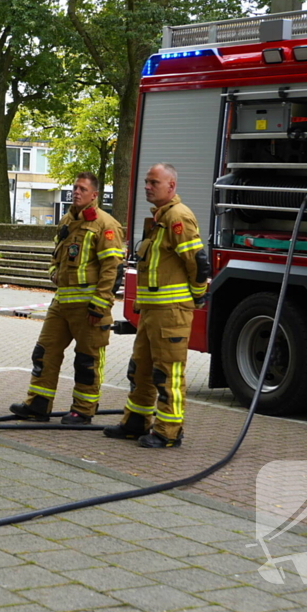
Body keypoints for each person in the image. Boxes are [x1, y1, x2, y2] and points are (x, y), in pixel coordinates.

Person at [104, 162, 209, 448]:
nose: (147, 187)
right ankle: (135, 422)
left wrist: (198, 295)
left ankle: (168, 432)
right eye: (147, 182)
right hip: (151, 312)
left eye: (154, 182)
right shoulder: (160, 219)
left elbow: (198, 263)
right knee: (140, 370)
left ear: (171, 186)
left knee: (167, 373)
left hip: (171, 313)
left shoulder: (178, 217)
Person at [10, 172, 124, 425]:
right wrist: (53, 273)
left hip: (89, 308)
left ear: (94, 195)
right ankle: (38, 404)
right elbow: (56, 256)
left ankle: (83, 410)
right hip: (62, 303)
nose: (76, 192)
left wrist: (100, 304)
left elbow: (112, 269)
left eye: (82, 188)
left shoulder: (106, 225)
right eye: (74, 187)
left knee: (87, 360)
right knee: (44, 351)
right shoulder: (67, 221)